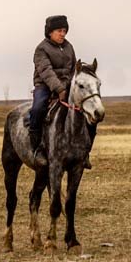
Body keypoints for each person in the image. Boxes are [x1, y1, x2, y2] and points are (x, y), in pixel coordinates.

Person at [30, 15, 76, 159]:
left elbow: (73, 69)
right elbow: (46, 72)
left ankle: (83, 151)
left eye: (64, 30)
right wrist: (59, 89)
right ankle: (37, 149)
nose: (63, 34)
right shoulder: (41, 49)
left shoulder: (69, 47)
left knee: (85, 109)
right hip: (44, 86)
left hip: (65, 86)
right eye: (59, 31)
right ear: (50, 32)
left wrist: (67, 85)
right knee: (37, 109)